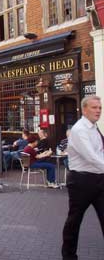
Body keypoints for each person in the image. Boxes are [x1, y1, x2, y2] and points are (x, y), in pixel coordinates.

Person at [62, 96, 104, 260]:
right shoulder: (79, 130)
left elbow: (100, 153)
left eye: (99, 108)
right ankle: (69, 255)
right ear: (84, 110)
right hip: (81, 182)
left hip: (99, 179)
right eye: (94, 108)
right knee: (74, 221)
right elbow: (91, 157)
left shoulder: (94, 127)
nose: (98, 111)